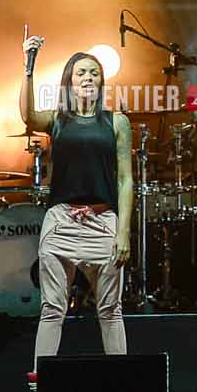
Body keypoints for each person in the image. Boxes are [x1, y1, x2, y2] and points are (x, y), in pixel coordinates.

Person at [21, 33, 132, 373]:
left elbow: (126, 180)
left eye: (94, 73)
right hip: (61, 219)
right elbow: (27, 116)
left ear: (102, 82)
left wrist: (123, 231)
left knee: (110, 309)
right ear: (70, 79)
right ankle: (40, 388)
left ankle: (122, 386)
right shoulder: (58, 119)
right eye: (82, 72)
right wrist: (28, 66)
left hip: (102, 220)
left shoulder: (116, 122)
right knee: (52, 308)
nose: (88, 78)